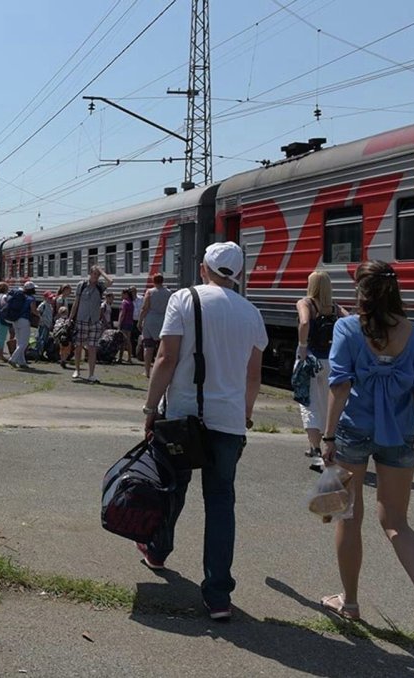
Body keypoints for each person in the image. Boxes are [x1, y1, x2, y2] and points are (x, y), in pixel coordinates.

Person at [319, 260, 414, 657]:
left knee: (349, 516)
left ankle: (350, 602)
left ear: (361, 292)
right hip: (398, 436)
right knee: (396, 522)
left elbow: (340, 387)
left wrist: (327, 437)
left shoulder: (347, 328)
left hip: (353, 433)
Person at [140, 241, 268, 621]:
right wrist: (245, 413)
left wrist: (150, 408)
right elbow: (253, 375)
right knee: (221, 502)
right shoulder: (251, 313)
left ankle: (157, 551)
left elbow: (166, 358)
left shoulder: (183, 299)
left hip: (183, 417)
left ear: (203, 269)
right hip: (228, 422)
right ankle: (218, 596)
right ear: (238, 275)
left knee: (172, 488)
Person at [295, 270, 348, 470]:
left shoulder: (305, 303)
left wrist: (302, 346)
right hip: (331, 362)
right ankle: (329, 447)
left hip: (310, 360)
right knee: (327, 405)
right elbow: (351, 321)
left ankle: (316, 450)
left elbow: (304, 322)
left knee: (309, 403)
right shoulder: (334, 307)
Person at [68, 266, 112, 383]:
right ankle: (77, 370)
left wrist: (102, 271)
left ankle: (91, 374)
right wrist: (70, 318)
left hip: (94, 321)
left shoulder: (100, 286)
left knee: (92, 348)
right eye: (95, 274)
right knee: (78, 346)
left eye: (98, 275)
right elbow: (76, 302)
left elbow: (110, 281)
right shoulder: (81, 285)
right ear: (90, 273)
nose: (96, 276)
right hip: (81, 319)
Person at [139, 274, 171, 378]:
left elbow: (145, 308)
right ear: (162, 281)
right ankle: (160, 371)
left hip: (150, 320)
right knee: (161, 347)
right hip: (163, 320)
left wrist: (140, 321)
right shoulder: (169, 293)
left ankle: (147, 372)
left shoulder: (150, 292)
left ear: (153, 281)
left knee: (148, 347)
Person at [9, 281, 36, 368]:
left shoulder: (20, 296)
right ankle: (13, 359)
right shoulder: (31, 298)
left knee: (19, 342)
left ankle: (22, 362)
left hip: (15, 320)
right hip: (24, 320)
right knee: (24, 343)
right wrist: (39, 315)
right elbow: (33, 310)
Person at [118, 287, 137, 364]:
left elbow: (122, 314)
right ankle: (129, 358)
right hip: (130, 323)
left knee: (123, 340)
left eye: (122, 294)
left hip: (124, 323)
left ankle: (120, 358)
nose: (121, 296)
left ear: (126, 294)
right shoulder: (131, 303)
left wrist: (119, 323)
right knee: (128, 340)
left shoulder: (124, 302)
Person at [35, 291, 56, 361]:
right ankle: (38, 353)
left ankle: (41, 352)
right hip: (43, 324)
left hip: (47, 325)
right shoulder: (43, 305)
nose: (51, 299)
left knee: (45, 339)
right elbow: (38, 312)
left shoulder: (50, 306)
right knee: (41, 339)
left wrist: (51, 324)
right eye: (49, 298)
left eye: (51, 298)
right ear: (45, 298)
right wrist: (41, 319)